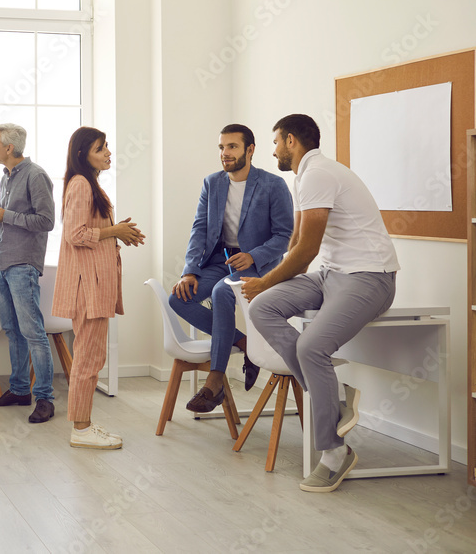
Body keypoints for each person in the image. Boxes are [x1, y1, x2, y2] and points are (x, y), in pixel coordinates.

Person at [242, 114, 399, 493]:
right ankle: (336, 399)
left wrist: (264, 280)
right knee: (262, 307)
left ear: (292, 140)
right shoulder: (303, 176)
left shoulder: (318, 174)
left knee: (312, 346)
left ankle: (334, 453)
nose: (274, 149)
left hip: (370, 276)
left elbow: (306, 251)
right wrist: (267, 289)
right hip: (332, 274)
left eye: (276, 141)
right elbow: (297, 242)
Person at [170, 124, 293, 412]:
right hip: (219, 261)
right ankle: (244, 342)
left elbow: (285, 235)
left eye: (232, 147)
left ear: (250, 149)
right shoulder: (212, 183)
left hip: (258, 263)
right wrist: (189, 270)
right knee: (179, 298)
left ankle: (215, 380)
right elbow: (199, 229)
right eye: (222, 147)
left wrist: (253, 256)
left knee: (223, 293)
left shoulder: (273, 185)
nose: (225, 153)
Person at [53, 127, 144, 449]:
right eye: (100, 148)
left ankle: (85, 424)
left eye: (106, 147)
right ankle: (81, 429)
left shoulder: (88, 185)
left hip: (95, 284)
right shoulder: (80, 184)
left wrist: (117, 232)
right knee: (88, 359)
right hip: (87, 288)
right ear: (82, 155)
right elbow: (75, 234)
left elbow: (89, 230)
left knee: (91, 357)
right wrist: (114, 231)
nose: (108, 153)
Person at [0, 124, 56, 423]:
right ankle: (20, 390)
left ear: (9, 148)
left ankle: (45, 399)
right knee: (13, 331)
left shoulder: (36, 175)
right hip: (4, 262)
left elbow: (46, 220)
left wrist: (5, 215)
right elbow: (15, 221)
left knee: (34, 334)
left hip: (23, 264)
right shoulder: (6, 177)